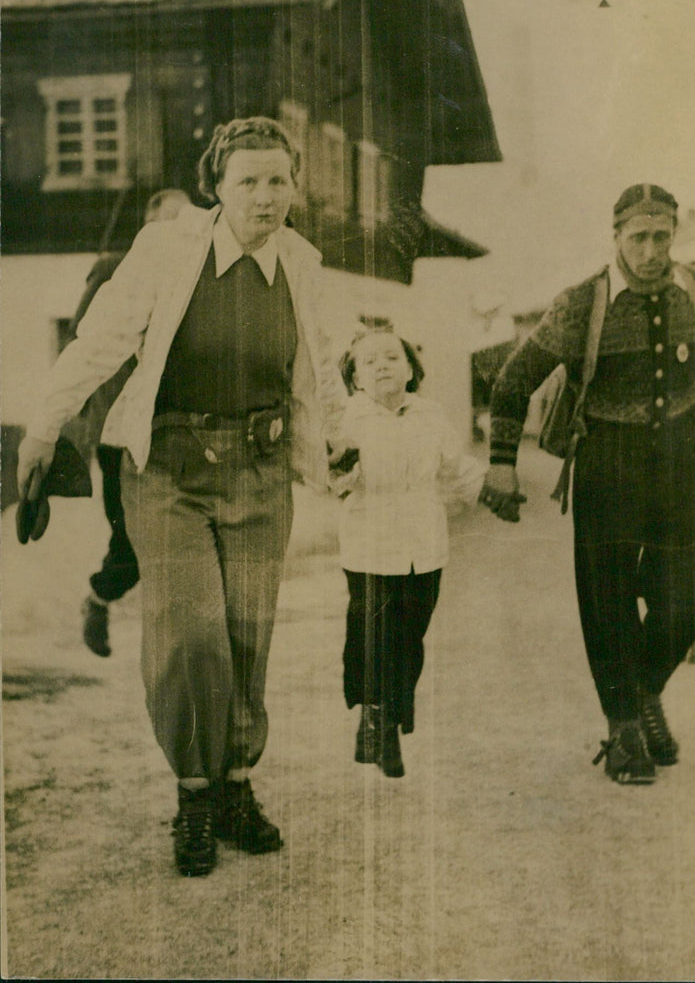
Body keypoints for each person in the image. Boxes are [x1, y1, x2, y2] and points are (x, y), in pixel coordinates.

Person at [17, 117, 349, 876]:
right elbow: (99, 339)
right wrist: (45, 428)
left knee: (246, 634)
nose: (265, 198)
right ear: (217, 188)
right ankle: (194, 795)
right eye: (248, 182)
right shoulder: (167, 250)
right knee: (189, 633)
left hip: (260, 473)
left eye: (278, 181)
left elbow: (320, 363)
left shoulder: (301, 259)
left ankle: (236, 785)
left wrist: (337, 442)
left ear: (296, 187)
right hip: (168, 469)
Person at [480, 183, 695, 785]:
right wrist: (500, 462)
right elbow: (512, 382)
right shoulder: (580, 304)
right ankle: (625, 729)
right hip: (607, 467)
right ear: (616, 236)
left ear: (675, 234)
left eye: (662, 236)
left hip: (681, 463)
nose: (651, 250)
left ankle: (643, 692)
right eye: (638, 237)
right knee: (609, 604)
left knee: (691, 600)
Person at [332, 324, 484, 777]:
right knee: (370, 633)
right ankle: (373, 715)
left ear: (411, 369)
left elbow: (459, 468)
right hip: (369, 548)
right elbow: (333, 481)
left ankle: (393, 722)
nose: (382, 366)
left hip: (424, 547)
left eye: (392, 358)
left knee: (409, 639)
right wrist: (338, 467)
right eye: (370, 361)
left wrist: (492, 489)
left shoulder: (431, 415)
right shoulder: (345, 421)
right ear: (355, 378)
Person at [76, 189, 192, 658]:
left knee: (179, 532)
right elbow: (85, 340)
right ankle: (99, 597)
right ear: (148, 227)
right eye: (171, 223)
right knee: (131, 537)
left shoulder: (195, 278)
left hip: (174, 426)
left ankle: (175, 641)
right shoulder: (113, 268)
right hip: (119, 429)